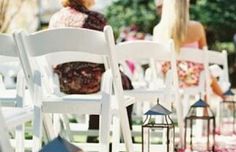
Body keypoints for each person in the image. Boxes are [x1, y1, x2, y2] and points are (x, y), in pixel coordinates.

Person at [49, 0, 133, 142]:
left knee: (102, 78)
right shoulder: (97, 19)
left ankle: (94, 135)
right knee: (121, 82)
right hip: (93, 83)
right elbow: (111, 55)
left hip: (64, 84)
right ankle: (124, 138)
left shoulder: (55, 19)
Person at [153, 0, 225, 98]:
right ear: (186, 6)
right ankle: (220, 102)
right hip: (193, 78)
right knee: (205, 71)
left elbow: (157, 59)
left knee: (204, 71)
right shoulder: (197, 27)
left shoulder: (158, 30)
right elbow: (204, 56)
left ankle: (225, 99)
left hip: (169, 79)